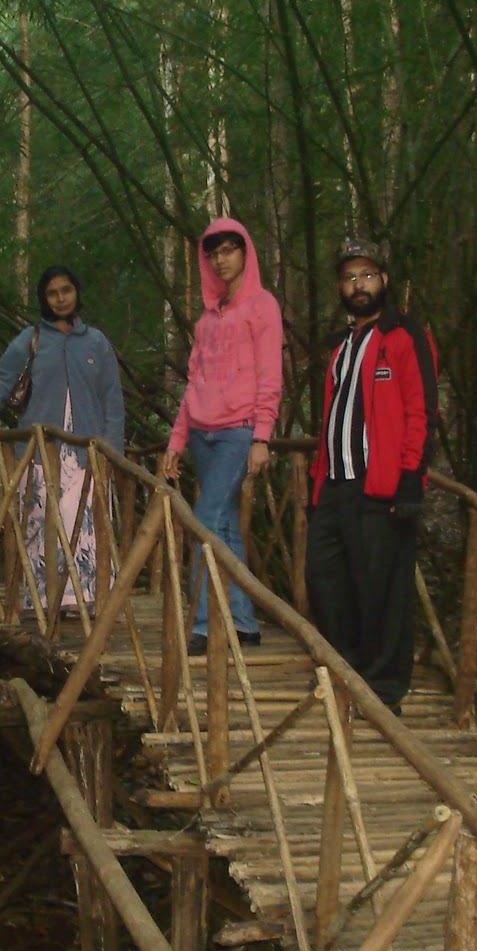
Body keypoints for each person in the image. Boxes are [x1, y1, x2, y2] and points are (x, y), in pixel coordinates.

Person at [305, 238, 440, 711]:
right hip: (334, 485)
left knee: (381, 588)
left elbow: (421, 410)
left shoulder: (405, 337)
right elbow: (332, 417)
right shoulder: (341, 346)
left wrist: (411, 481)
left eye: (366, 275)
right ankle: (344, 674)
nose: (358, 285)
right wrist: (316, 483)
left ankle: (382, 690)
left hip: (380, 486)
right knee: (325, 579)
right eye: (349, 278)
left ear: (384, 280)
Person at [160, 217, 284, 655]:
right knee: (224, 526)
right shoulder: (208, 319)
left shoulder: (262, 306)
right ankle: (244, 622)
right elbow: (193, 384)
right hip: (202, 433)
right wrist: (176, 442)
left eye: (229, 250)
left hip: (238, 432)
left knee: (205, 521)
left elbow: (270, 375)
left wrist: (262, 436)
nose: (221, 260)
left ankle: (204, 624)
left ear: (245, 252)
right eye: (213, 254)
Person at [0, 266, 124, 615]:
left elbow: (112, 400)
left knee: (85, 522)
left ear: (76, 292)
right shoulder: (31, 339)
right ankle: (42, 600)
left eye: (66, 290)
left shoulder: (96, 342)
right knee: (41, 521)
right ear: (44, 299)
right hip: (40, 450)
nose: (60, 299)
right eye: (53, 293)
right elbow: (2, 380)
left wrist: (113, 453)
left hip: (88, 449)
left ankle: (87, 599)